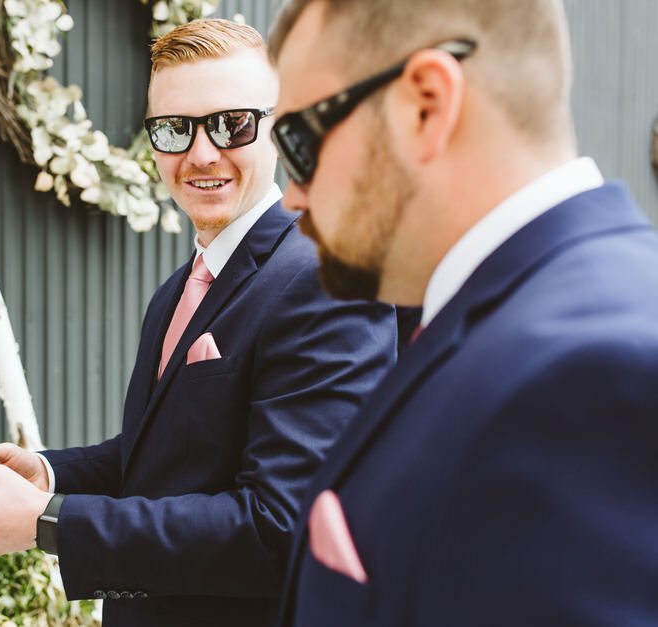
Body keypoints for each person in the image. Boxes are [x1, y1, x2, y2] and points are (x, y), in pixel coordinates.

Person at [0, 18, 400, 627]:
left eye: (232, 124)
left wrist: (49, 524)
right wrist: (47, 473)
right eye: (176, 128)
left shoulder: (325, 279)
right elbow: (171, 457)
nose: (201, 153)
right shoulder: (178, 291)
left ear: (278, 129)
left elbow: (285, 528)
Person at [267, 0, 658, 625]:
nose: (291, 197)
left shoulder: (596, 372)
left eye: (299, 142)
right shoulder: (522, 319)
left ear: (426, 104)